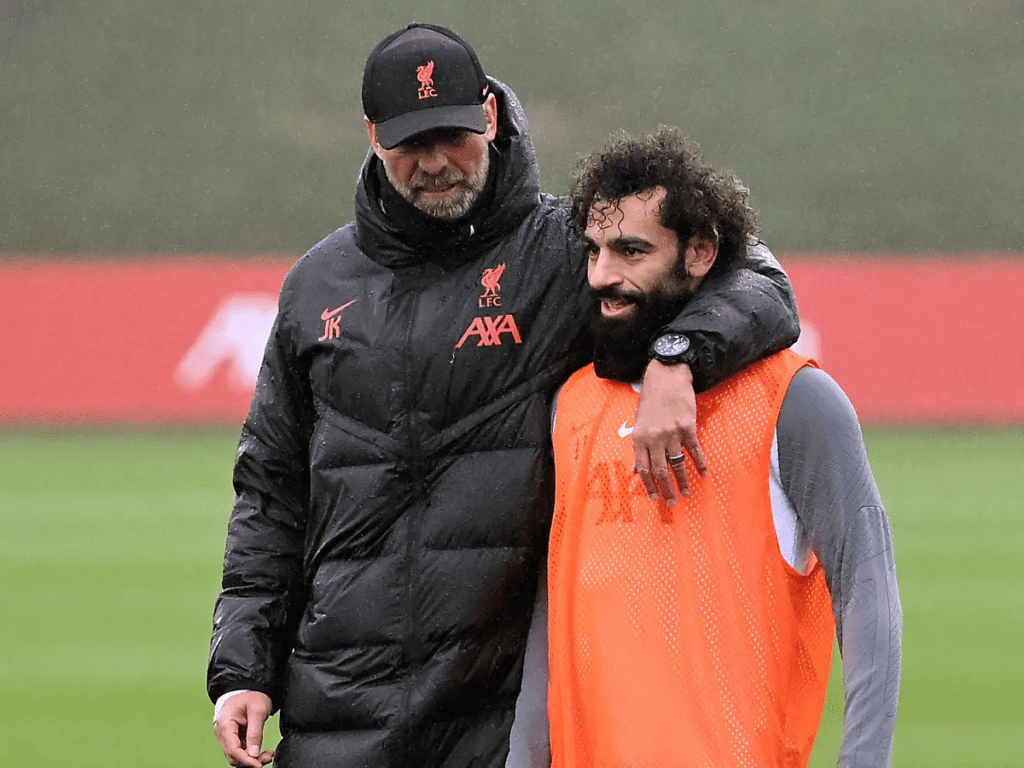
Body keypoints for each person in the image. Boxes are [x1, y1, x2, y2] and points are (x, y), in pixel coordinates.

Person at [208, 24, 801, 768]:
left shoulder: (564, 251)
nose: (434, 164)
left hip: (503, 716)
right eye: (408, 144)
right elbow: (270, 492)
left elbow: (759, 283)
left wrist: (678, 357)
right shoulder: (315, 286)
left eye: (452, 135)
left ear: (489, 115)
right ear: (371, 138)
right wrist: (242, 669)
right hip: (335, 709)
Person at [544, 129, 902, 767]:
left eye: (632, 251)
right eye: (594, 251)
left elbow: (867, 593)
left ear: (701, 253)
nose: (604, 275)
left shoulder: (796, 400)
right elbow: (545, 618)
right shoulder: (571, 403)